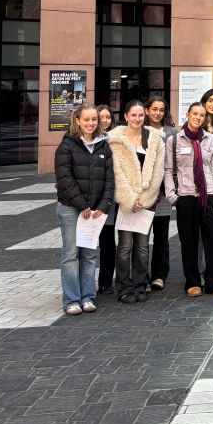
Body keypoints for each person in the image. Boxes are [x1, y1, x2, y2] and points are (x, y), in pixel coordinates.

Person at [165, 102, 213, 296]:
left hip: (208, 195)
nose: (198, 118)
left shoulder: (211, 140)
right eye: (194, 114)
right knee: (189, 241)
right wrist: (172, 196)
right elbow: (168, 170)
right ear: (187, 115)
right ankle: (193, 282)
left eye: (202, 115)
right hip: (186, 196)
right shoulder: (174, 141)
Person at [55, 104, 115, 316]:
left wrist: (103, 206)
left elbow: (110, 180)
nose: (91, 123)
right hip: (71, 208)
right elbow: (65, 179)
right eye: (87, 119)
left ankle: (88, 297)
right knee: (71, 254)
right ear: (77, 121)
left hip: (95, 211)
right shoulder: (67, 145)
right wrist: (83, 205)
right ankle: (72, 299)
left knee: (89, 254)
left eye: (94, 120)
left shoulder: (103, 146)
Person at [107, 100, 164, 304]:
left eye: (141, 115)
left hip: (147, 201)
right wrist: (130, 199)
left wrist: (145, 200)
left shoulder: (155, 140)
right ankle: (124, 287)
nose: (137, 119)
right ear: (126, 116)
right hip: (126, 202)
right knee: (124, 246)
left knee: (142, 246)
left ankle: (140, 285)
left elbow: (158, 172)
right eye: (133, 115)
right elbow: (117, 173)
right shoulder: (115, 141)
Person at [143, 95, 175, 291]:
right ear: (147, 110)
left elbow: (173, 164)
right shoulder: (139, 130)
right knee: (142, 238)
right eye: (154, 109)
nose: (157, 113)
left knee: (161, 237)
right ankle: (142, 277)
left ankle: (159, 276)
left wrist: (167, 189)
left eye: (161, 110)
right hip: (144, 194)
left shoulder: (171, 132)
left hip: (163, 194)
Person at [95, 104, 118, 294]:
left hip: (113, 195)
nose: (105, 121)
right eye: (101, 117)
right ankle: (92, 282)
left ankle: (107, 281)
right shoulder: (91, 139)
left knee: (109, 241)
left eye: (108, 117)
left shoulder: (116, 138)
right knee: (95, 241)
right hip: (95, 196)